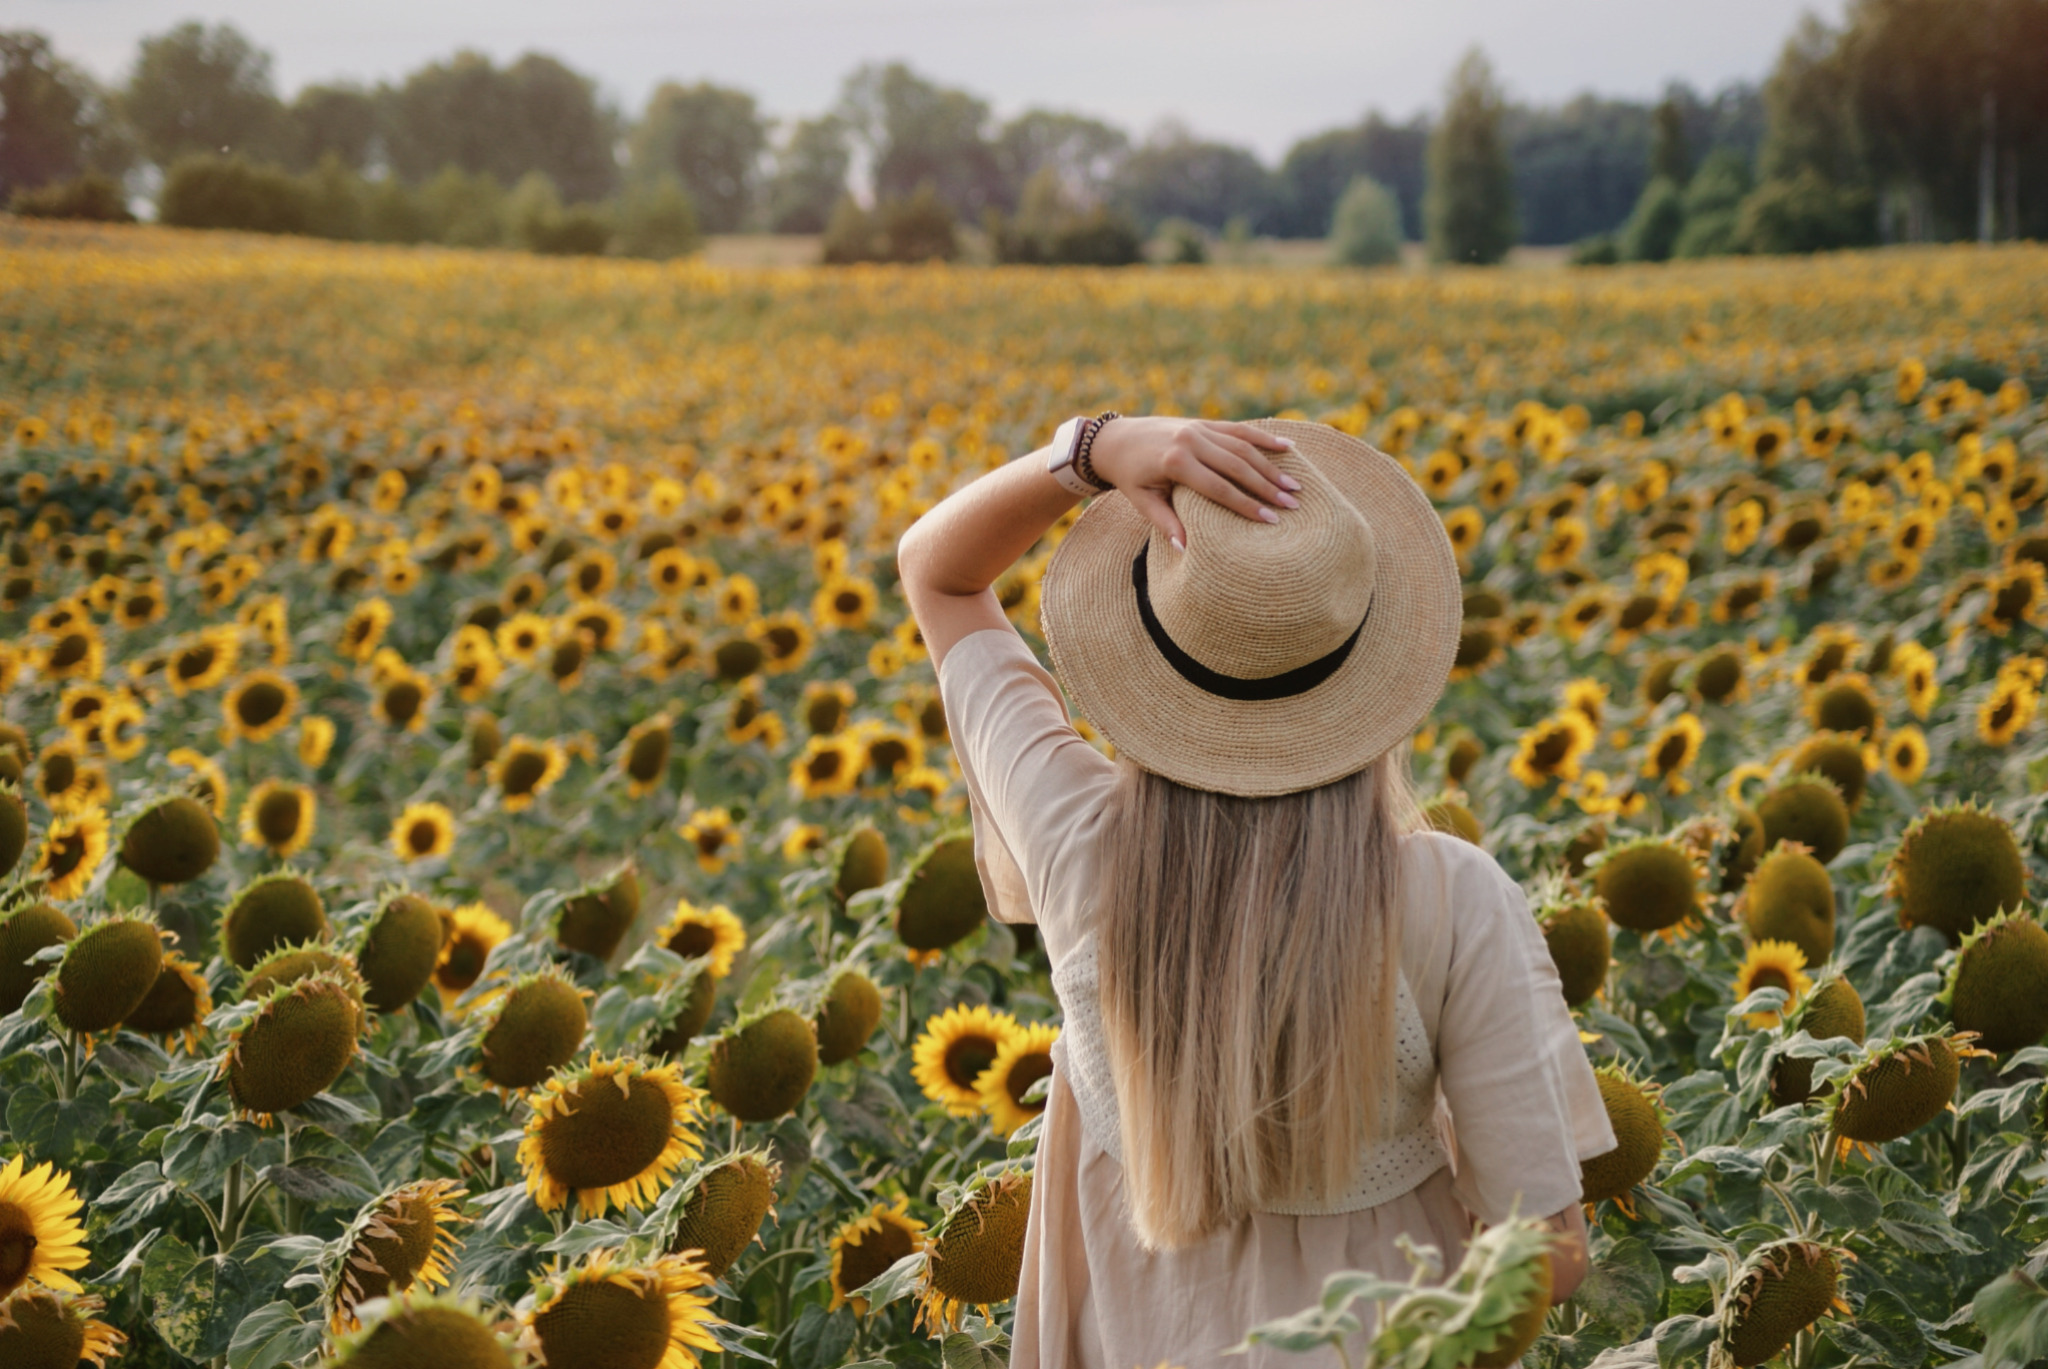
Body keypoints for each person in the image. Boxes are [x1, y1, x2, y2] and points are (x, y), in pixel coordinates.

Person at [898, 414, 1615, 1369]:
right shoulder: (1449, 897)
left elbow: (938, 572)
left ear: (1149, 656)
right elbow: (1547, 1248)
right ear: (1373, 674)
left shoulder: (1073, 838)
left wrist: (1089, 450)